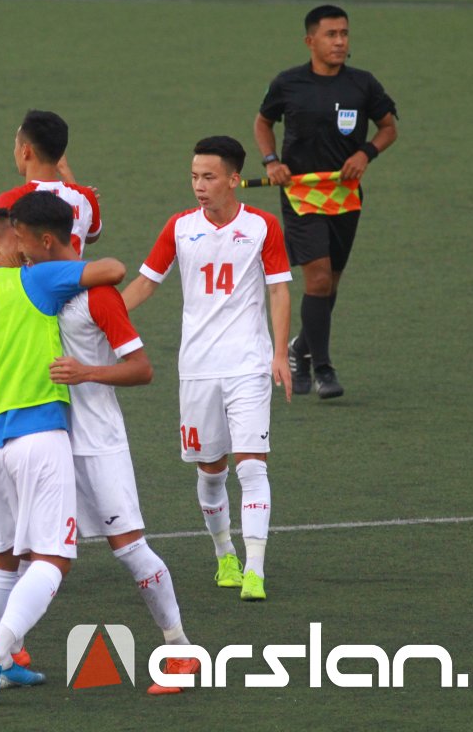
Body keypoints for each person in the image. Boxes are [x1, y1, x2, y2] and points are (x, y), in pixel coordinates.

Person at [12, 192, 198, 696]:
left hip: (98, 442)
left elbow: (142, 368)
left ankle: (180, 649)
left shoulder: (98, 296)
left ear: (44, 240)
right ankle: (7, 654)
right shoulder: (35, 285)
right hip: (48, 439)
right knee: (30, 552)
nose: (17, 249)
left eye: (21, 240)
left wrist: (87, 372)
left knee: (130, 548)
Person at [0, 205, 126, 704]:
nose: (24, 245)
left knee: (1, 558)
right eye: (15, 238)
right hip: (39, 434)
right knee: (54, 558)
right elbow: (113, 269)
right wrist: (51, 268)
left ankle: (2, 663)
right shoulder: (34, 280)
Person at [122, 136, 292, 603]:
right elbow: (144, 283)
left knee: (251, 466)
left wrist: (279, 354)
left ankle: (255, 568)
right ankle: (224, 555)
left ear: (233, 179)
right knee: (212, 471)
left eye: (209, 177)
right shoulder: (179, 227)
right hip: (197, 368)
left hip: (248, 364)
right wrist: (102, 316)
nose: (199, 185)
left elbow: (279, 290)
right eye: (194, 176)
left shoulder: (262, 227)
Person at [253, 4, 398, 399]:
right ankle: (323, 369)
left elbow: (388, 128)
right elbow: (263, 122)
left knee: (329, 285)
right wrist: (271, 161)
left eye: (344, 34)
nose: (339, 41)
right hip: (301, 194)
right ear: (310, 41)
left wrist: (366, 152)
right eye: (331, 34)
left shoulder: (363, 84)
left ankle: (299, 350)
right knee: (316, 279)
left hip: (345, 194)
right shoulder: (288, 83)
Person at [0, 110, 101, 254]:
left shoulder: (10, 201)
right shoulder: (86, 197)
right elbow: (91, 236)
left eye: (16, 145)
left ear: (25, 150)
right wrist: (65, 170)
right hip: (74, 270)